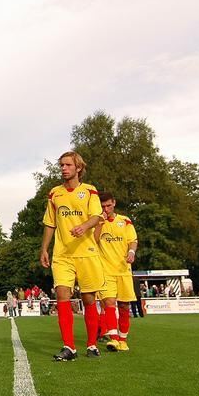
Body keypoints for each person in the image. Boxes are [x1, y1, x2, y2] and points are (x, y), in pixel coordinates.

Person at [39, 151, 105, 361]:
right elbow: (50, 223)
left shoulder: (89, 191)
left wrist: (83, 227)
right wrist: (44, 249)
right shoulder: (54, 194)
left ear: (78, 168)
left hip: (86, 253)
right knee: (62, 296)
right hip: (62, 254)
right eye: (61, 165)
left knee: (88, 298)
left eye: (68, 165)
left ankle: (92, 345)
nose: (63, 168)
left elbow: (96, 216)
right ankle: (69, 347)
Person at [94, 191, 139, 353]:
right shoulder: (97, 221)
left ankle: (123, 339)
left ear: (114, 203)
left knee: (124, 306)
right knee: (109, 303)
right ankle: (113, 339)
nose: (106, 209)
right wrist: (100, 222)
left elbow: (132, 241)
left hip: (123, 270)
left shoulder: (125, 221)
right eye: (103, 206)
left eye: (108, 205)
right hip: (105, 271)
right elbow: (95, 239)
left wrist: (132, 252)